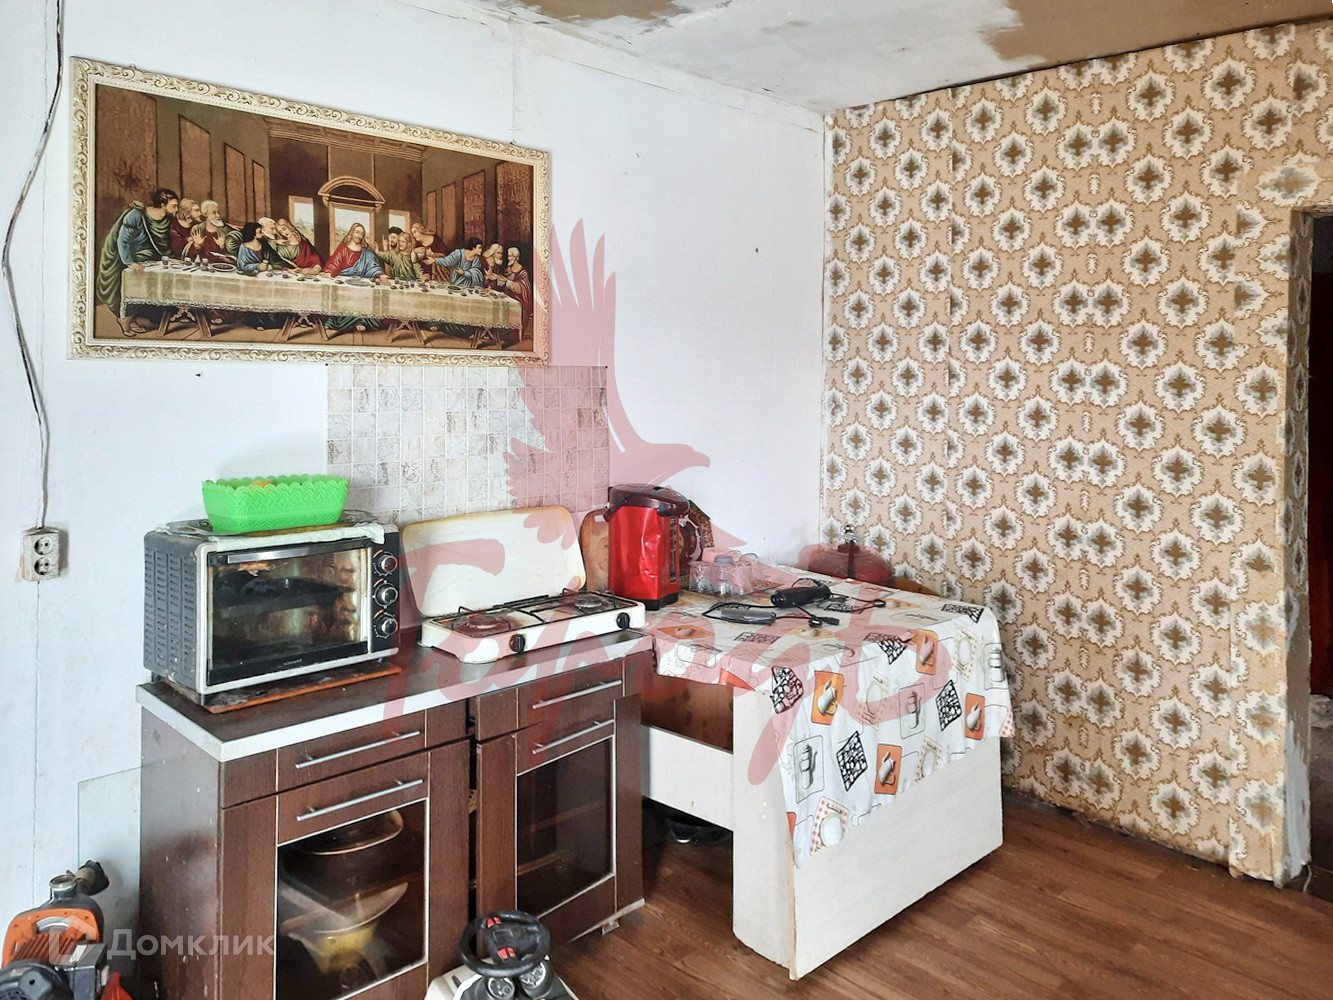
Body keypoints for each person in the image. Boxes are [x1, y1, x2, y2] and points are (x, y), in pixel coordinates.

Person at [95, 187, 178, 321]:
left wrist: (168, 258)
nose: (177, 209)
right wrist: (129, 262)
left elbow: (161, 244)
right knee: (134, 279)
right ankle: (126, 319)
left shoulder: (166, 219)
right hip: (126, 254)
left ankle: (145, 317)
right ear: (163, 205)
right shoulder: (136, 215)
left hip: (148, 256)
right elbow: (123, 240)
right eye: (174, 206)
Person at [323, 223, 388, 333]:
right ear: (352, 232)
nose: (359, 235)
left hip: (362, 284)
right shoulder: (343, 249)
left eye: (361, 233)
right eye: (357, 232)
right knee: (342, 294)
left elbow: (373, 266)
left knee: (365, 295)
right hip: (345, 283)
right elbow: (334, 264)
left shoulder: (367, 252)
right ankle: (337, 321)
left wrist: (381, 275)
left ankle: (359, 321)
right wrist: (329, 273)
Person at [496, 245, 533, 340]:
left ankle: (511, 337)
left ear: (516, 257)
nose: (509, 258)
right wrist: (497, 279)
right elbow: (503, 282)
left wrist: (507, 282)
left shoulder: (523, 272)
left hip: (519, 301)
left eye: (510, 256)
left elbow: (521, 288)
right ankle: (498, 334)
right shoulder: (508, 269)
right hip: (507, 298)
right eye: (508, 256)